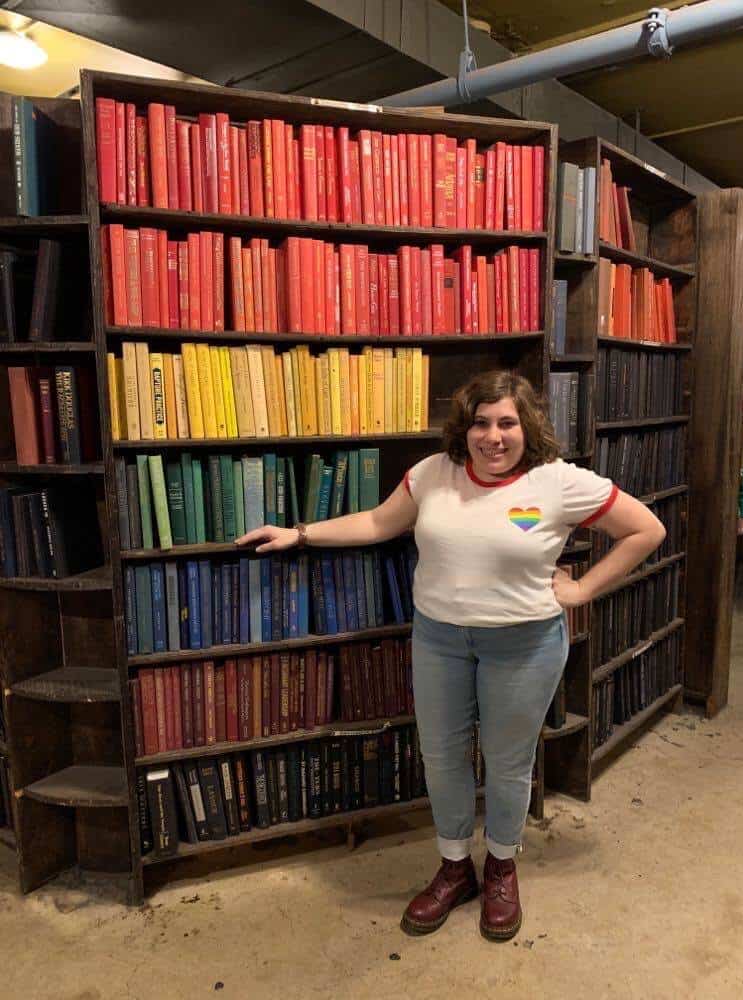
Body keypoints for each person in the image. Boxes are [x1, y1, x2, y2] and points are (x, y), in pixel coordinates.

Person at [234, 370, 666, 942]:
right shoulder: (432, 474)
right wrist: (301, 533)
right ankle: (455, 867)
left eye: (507, 422)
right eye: (481, 423)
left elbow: (646, 530)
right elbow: (378, 522)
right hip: (439, 640)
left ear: (527, 426)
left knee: (508, 762)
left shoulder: (559, 482)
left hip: (524, 644)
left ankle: (502, 866)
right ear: (465, 428)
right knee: (440, 758)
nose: (493, 436)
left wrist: (583, 590)